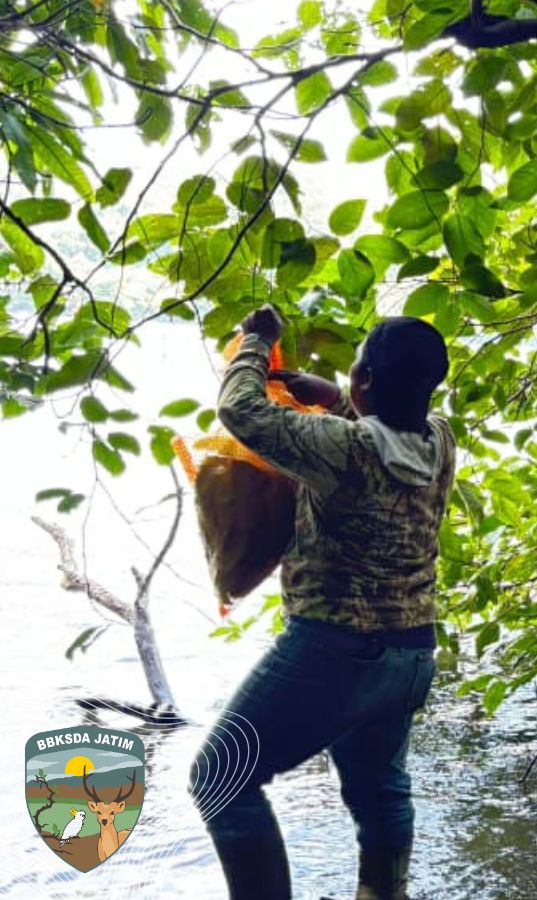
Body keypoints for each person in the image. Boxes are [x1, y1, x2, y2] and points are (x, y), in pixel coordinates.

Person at [188, 306, 455, 900]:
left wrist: (256, 342)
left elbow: (240, 410)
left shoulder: (342, 449)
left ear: (366, 382)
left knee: (218, 778)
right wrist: (338, 398)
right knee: (380, 790)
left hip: (334, 653)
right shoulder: (440, 440)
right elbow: (379, 435)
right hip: (411, 655)